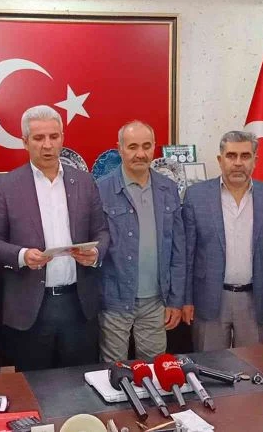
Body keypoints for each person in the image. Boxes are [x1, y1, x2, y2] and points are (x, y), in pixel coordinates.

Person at [0, 105, 109, 370]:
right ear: (25, 142)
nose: (48, 145)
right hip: (30, 308)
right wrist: (21, 256)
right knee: (36, 385)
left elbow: (102, 231)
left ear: (62, 137)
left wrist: (96, 253)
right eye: (39, 138)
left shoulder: (84, 182)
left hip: (78, 305)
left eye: (54, 136)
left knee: (80, 383)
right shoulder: (6, 186)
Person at [183, 131, 263, 350]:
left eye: (245, 156)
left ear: (255, 160)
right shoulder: (196, 196)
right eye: (231, 156)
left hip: (256, 299)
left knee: (253, 366)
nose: (238, 163)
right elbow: (187, 254)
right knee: (210, 366)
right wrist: (185, 299)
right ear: (220, 160)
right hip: (209, 298)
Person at [96, 120, 186, 362]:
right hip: (114, 300)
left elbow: (178, 250)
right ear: (120, 149)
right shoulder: (101, 190)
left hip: (156, 300)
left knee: (155, 369)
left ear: (154, 147)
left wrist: (176, 300)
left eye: (146, 146)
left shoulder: (168, 188)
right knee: (114, 370)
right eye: (132, 146)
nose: (140, 154)